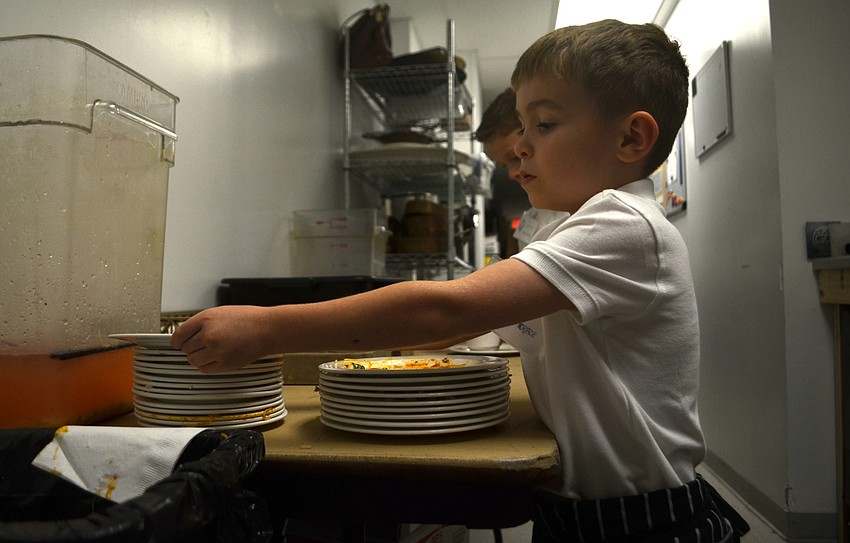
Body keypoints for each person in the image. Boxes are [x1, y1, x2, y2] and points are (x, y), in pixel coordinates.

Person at [172, 19, 748, 542]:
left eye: (544, 124)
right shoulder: (574, 230)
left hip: (641, 524)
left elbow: (449, 312)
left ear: (631, 139)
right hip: (584, 511)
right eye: (523, 125)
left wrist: (266, 327)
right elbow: (472, 328)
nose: (520, 146)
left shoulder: (625, 224)